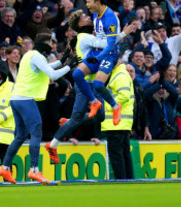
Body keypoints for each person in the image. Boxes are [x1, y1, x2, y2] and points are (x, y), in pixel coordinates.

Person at [45, 11, 134, 163]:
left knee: (98, 116)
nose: (88, 18)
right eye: (85, 18)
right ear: (79, 24)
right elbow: (107, 44)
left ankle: (64, 128)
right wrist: (124, 33)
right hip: (88, 83)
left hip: (89, 82)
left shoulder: (84, 37)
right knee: (96, 116)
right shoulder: (84, 37)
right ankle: (61, 134)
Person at [0, 34, 72, 185]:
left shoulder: (30, 55)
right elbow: (52, 74)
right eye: (50, 42)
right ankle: (34, 169)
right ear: (43, 43)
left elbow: (47, 67)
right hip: (26, 99)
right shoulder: (37, 56)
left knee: (20, 136)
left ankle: (4, 167)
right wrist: (70, 66)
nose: (51, 45)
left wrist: (63, 59)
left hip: (16, 99)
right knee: (36, 131)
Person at [80, 0, 122, 122]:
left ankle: (115, 106)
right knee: (77, 74)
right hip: (98, 50)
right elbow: (100, 34)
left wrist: (97, 58)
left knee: (98, 84)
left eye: (88, 2)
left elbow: (110, 44)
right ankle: (94, 102)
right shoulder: (95, 14)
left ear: (98, 2)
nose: (87, 5)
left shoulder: (110, 18)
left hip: (110, 53)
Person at [101, 62, 135, 180]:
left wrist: (108, 106)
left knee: (117, 155)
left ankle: (121, 181)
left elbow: (124, 95)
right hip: (121, 122)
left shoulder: (120, 75)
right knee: (124, 154)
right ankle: (128, 181)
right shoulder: (120, 74)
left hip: (116, 123)